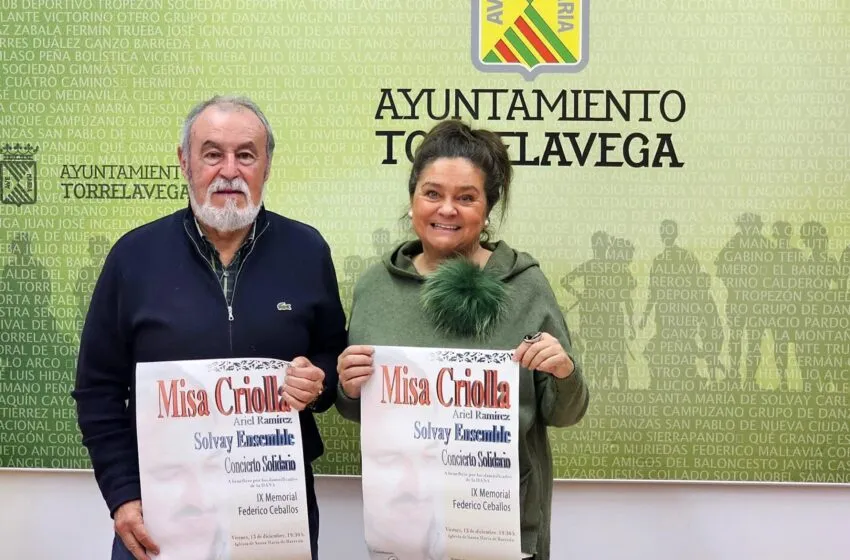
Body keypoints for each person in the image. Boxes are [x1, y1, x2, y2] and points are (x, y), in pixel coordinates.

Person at [72, 95, 347, 560]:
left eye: (246, 155)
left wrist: (318, 381)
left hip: (273, 509)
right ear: (185, 161)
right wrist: (122, 495)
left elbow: (331, 357)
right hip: (161, 515)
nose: (229, 171)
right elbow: (98, 389)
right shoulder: (132, 258)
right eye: (213, 153)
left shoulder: (307, 250)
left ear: (267, 165)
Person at [336, 120, 589, 560]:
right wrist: (348, 387)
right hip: (403, 527)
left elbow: (565, 412)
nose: (447, 209)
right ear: (413, 199)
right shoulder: (375, 288)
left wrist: (564, 372)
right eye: (432, 193)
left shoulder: (526, 287)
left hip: (501, 528)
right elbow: (357, 410)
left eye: (466, 198)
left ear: (488, 208)